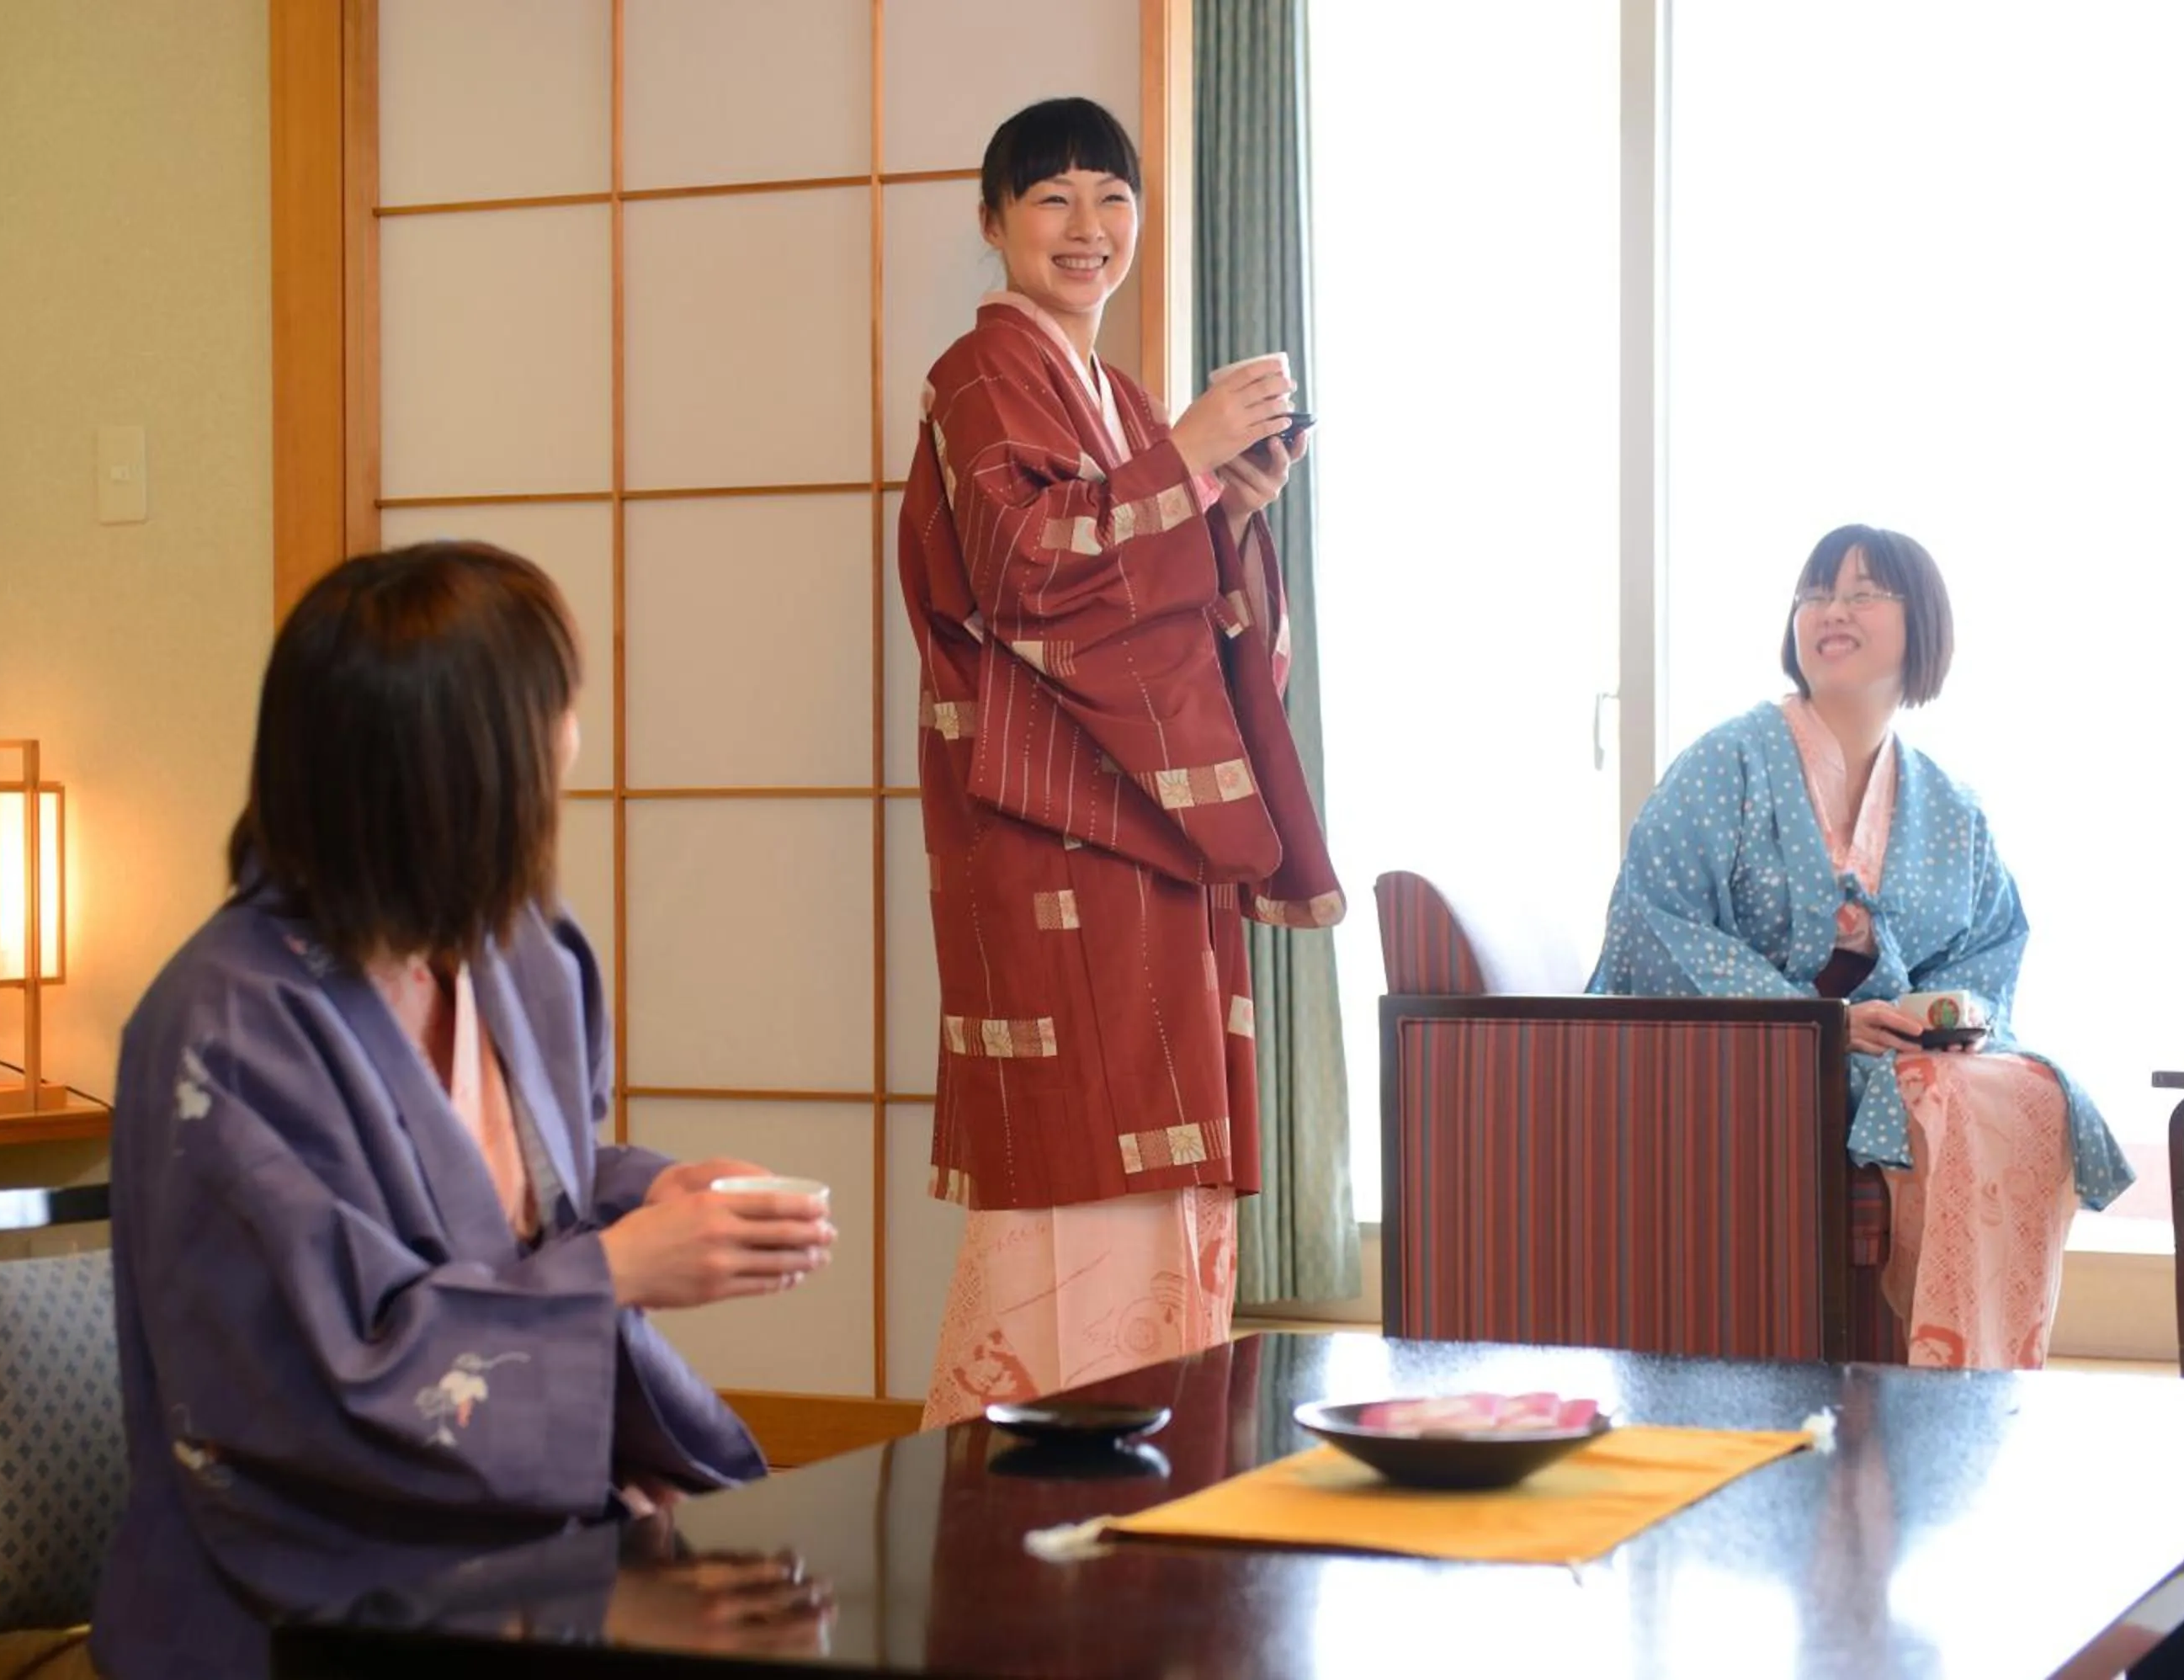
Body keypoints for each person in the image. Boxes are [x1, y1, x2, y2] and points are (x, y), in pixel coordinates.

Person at [92, 542, 835, 1677]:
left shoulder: (524, 953)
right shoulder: (226, 1027)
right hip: (311, 1595)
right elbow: (319, 1380)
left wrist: (650, 1195)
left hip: (524, 1540)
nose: (573, 739)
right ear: (462, 772)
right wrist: (617, 1270)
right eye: (555, 712)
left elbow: (517, 1193)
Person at [896, 97, 1342, 1429]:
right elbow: (1026, 576)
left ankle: (1154, 1465)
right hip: (1051, 824)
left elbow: (1169, 602)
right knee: (1071, 1151)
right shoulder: (980, 377)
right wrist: (1182, 461)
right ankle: (1024, 1482)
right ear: (993, 223)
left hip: (1154, 831)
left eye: (1112, 197)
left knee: (1156, 1159)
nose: (1087, 226)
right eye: (1051, 198)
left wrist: (1226, 507)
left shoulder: (1122, 401)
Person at [1589, 524, 2131, 1368]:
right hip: (1724, 1061)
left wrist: (1940, 1020)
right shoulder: (1724, 763)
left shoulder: (1950, 806)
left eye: (1863, 593)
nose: (1832, 611)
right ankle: (1947, 1378)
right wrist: (1821, 1024)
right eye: (1815, 594)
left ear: (1922, 626)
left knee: (2029, 1090)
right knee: (1939, 1099)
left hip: (1880, 1069)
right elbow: (1655, 924)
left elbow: (1990, 943)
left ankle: (1979, 1371)